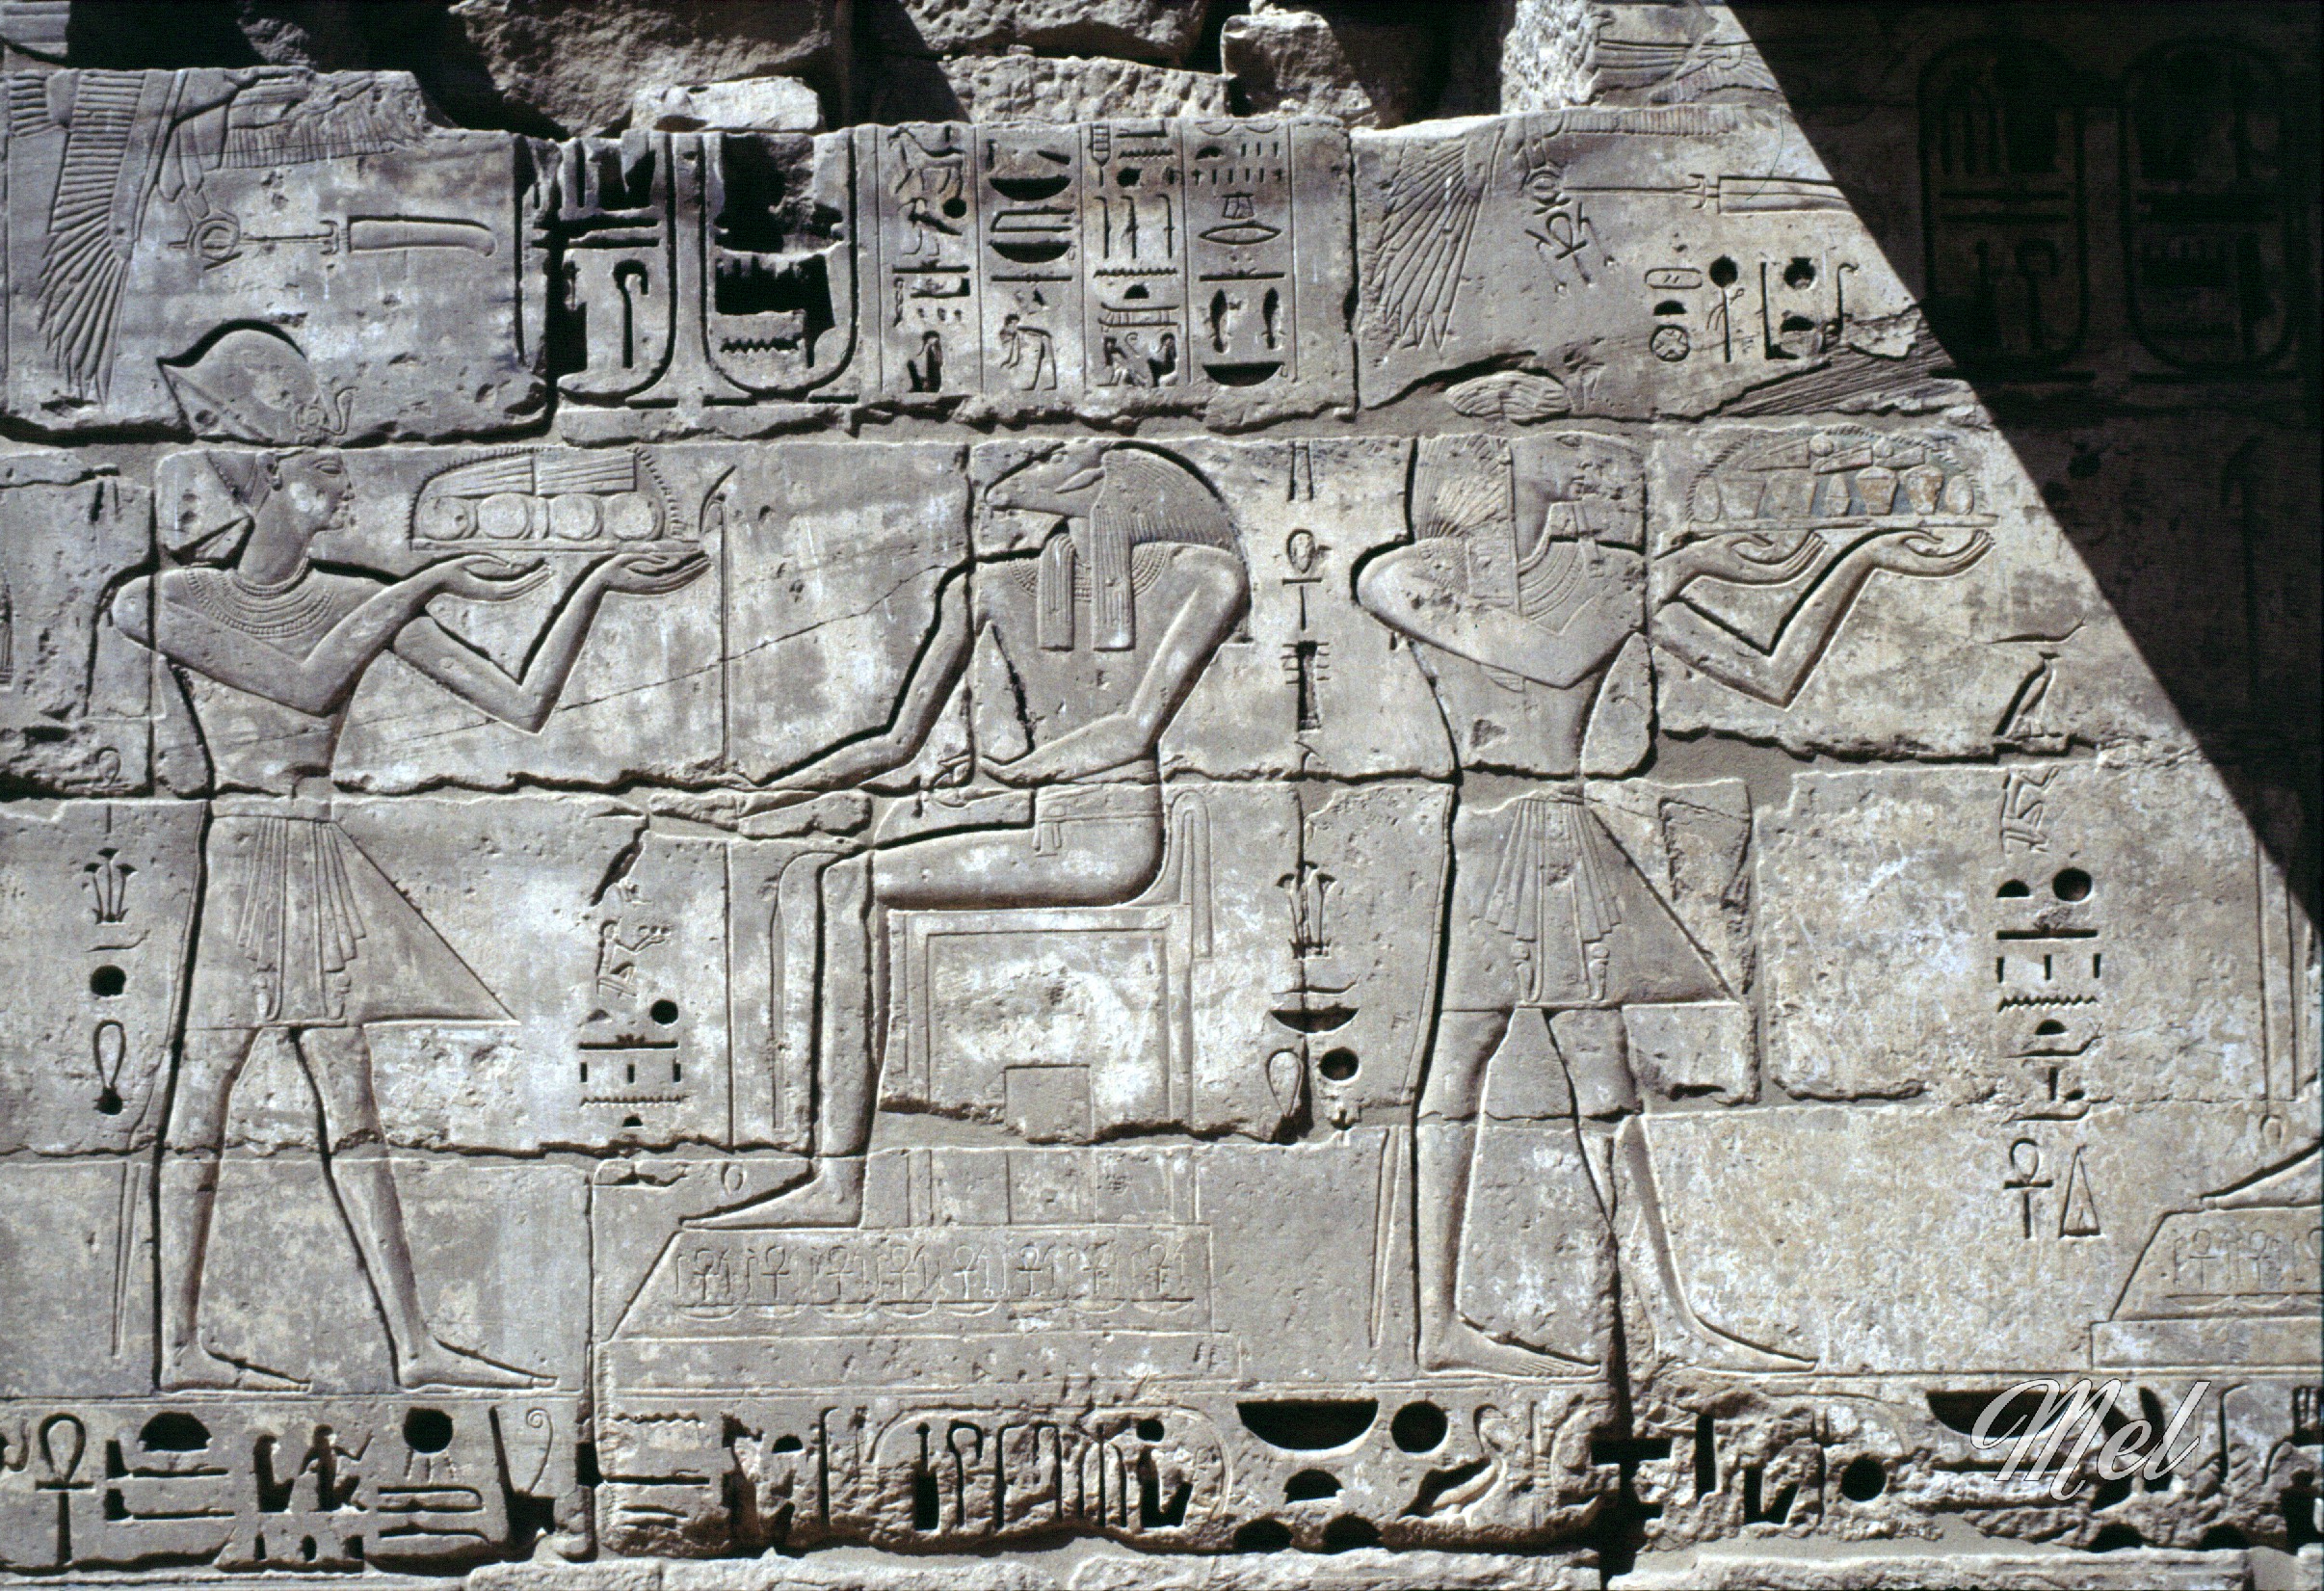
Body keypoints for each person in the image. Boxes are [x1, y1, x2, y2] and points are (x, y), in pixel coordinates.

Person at [1352, 435, 1988, 1377]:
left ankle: (1667, 1318)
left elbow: (1771, 673)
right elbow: (1550, 660)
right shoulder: (1408, 576)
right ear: (1488, 476)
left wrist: (1857, 559)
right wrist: (1674, 570)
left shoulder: (1596, 583)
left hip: (1567, 837)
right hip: (1495, 840)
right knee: (1456, 1075)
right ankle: (1440, 1324)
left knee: (1602, 1086)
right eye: (1548, 456)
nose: (1575, 470)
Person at [115, 429, 703, 1391]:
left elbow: (522, 703)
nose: (342, 490)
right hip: (245, 855)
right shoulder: (172, 597)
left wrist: (592, 583)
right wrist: (424, 584)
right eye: (323, 473)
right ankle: (177, 1348)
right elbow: (302, 683)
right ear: (266, 480)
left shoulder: (355, 599)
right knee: (202, 1099)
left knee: (352, 1108)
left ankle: (415, 1347)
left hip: (317, 857)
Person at [684, 445, 1249, 1229]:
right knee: (825, 874)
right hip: (1034, 824)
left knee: (847, 883)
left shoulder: (1205, 576)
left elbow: (1133, 727)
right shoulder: (989, 587)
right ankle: (820, 1160)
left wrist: (1020, 772)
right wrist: (769, 796)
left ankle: (837, 1181)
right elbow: (897, 741)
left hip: (1108, 843)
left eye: (1067, 464)